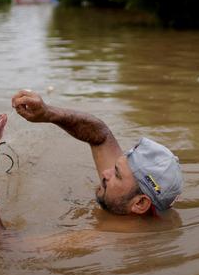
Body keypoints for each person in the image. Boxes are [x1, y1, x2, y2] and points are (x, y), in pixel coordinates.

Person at [11, 89, 183, 216]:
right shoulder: (127, 197)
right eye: (115, 167)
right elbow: (101, 136)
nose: (105, 173)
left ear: (140, 203)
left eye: (117, 174)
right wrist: (47, 113)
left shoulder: (110, 238)